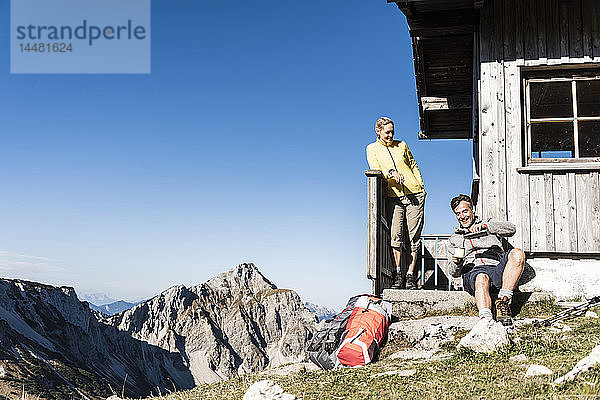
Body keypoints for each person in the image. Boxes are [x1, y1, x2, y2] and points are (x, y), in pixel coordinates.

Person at [446, 194, 525, 326]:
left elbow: (512, 229)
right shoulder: (454, 239)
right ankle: (486, 321)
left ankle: (503, 302)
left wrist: (487, 227)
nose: (462, 216)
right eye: (458, 214)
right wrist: (457, 263)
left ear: (472, 210)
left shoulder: (488, 223)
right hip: (473, 272)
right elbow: (453, 272)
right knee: (481, 277)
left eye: (465, 211)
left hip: (496, 268)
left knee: (518, 253)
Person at [366, 117, 426, 290]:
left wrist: (421, 185)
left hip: (414, 194)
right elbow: (375, 167)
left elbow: (413, 165)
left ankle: (410, 276)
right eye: (387, 132)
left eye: (392, 131)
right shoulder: (372, 149)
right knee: (395, 236)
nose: (391, 135)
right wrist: (392, 173)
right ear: (378, 131)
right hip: (393, 196)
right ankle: (398, 274)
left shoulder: (402, 145)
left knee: (414, 237)